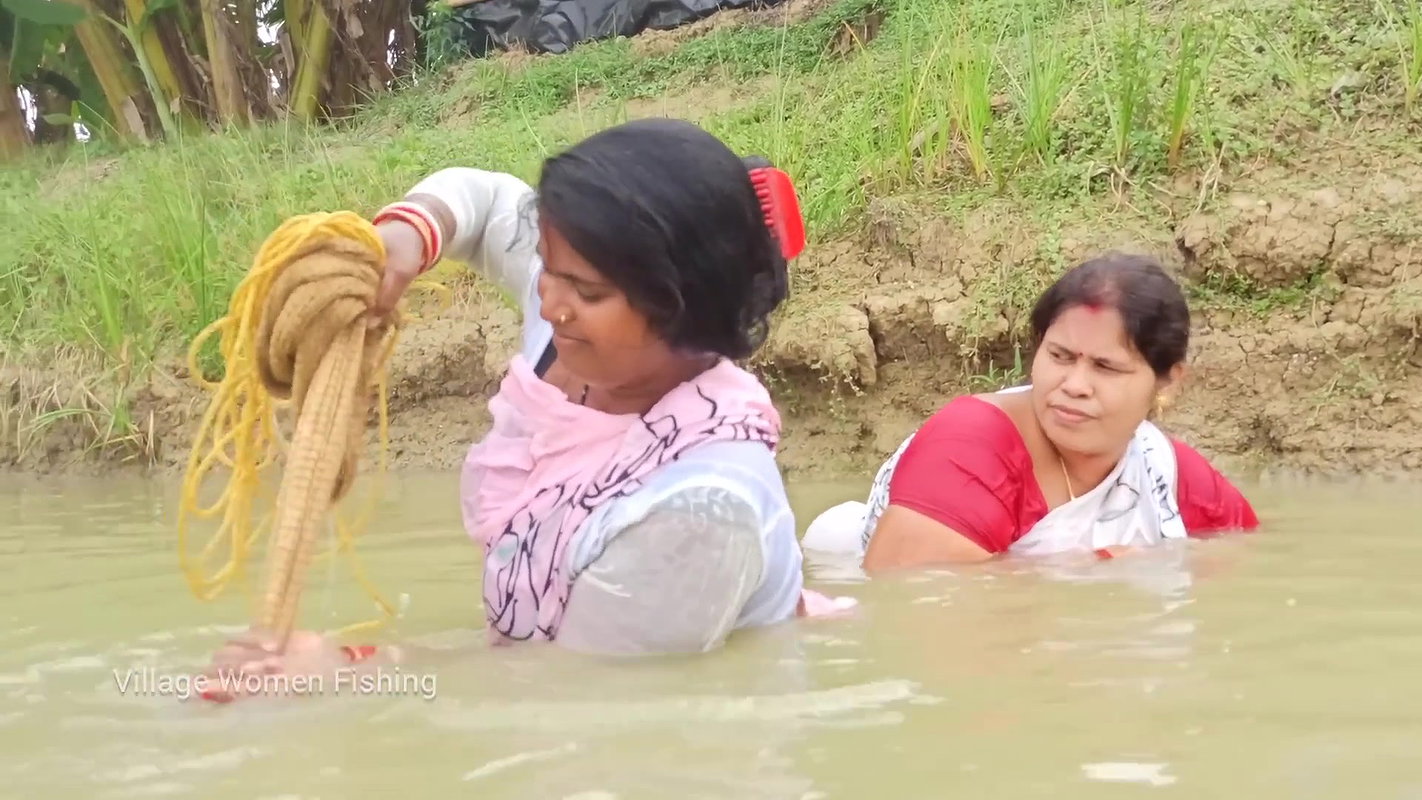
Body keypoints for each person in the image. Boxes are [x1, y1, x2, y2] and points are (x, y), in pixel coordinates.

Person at [199, 119, 839, 701]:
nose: (552, 303)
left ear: (684, 309)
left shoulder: (701, 514)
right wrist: (403, 237)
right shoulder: (583, 330)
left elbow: (584, 689)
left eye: (586, 291)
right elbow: (482, 202)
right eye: (550, 270)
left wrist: (350, 667)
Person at [802, 252, 1260, 571]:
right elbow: (907, 590)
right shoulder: (971, 447)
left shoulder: (1161, 470)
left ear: (1167, 381)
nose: (1075, 386)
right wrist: (1094, 569)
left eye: (1105, 367)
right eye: (1060, 357)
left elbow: (1249, 557)